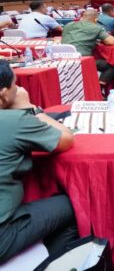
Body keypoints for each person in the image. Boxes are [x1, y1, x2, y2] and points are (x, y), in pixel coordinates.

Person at [0, 61, 78, 264]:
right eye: (15, 84)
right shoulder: (14, 121)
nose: (19, 89)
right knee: (74, 207)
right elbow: (66, 139)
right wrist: (30, 108)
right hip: (2, 235)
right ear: (4, 93)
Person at [61, 9, 114, 92]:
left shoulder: (68, 25)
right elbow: (111, 42)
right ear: (96, 20)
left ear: (82, 17)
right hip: (82, 60)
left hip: (63, 60)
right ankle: (98, 90)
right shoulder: (96, 27)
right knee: (112, 66)